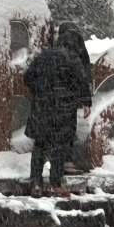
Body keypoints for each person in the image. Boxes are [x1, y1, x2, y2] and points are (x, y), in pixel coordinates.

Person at [24, 21, 93, 196]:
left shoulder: (45, 55)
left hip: (42, 107)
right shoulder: (73, 57)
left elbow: (28, 77)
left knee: (40, 144)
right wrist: (84, 101)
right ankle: (56, 183)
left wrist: (40, 91)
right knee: (59, 146)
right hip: (64, 108)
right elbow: (82, 81)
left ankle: (36, 183)